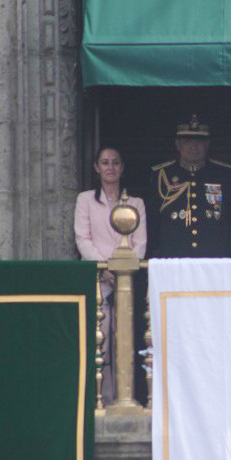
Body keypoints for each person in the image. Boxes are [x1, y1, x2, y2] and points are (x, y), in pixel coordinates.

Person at [74, 146, 147, 403]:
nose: (110, 167)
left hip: (126, 278)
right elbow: (83, 239)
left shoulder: (136, 203)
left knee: (125, 339)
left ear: (122, 167)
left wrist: (121, 268)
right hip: (98, 279)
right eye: (104, 163)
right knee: (100, 340)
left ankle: (125, 398)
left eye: (115, 162)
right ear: (96, 167)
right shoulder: (85, 200)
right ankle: (101, 399)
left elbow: (140, 243)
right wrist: (104, 267)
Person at [146, 115, 231, 257]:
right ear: (178, 144)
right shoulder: (161, 174)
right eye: (187, 141)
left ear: (207, 144)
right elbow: (153, 219)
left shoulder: (224, 174)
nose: (194, 146)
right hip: (173, 255)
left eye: (199, 141)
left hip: (214, 256)